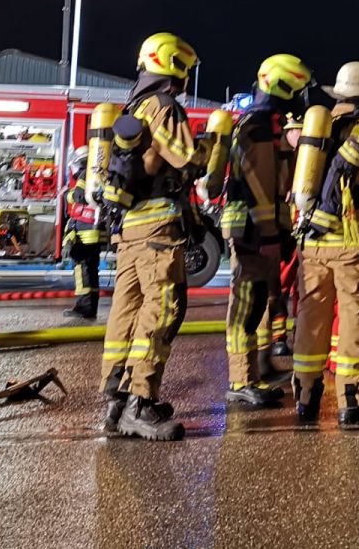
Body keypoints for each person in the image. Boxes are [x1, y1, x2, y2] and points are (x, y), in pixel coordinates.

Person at [97, 32, 209, 441]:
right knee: (162, 311)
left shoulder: (135, 104)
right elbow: (187, 158)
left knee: (126, 310)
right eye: (185, 68)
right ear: (172, 64)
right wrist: (212, 145)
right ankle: (140, 402)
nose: (185, 77)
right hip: (158, 230)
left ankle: (115, 400)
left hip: (130, 229)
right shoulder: (164, 107)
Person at [292, 61, 359, 426]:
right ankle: (353, 400)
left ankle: (305, 396)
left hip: (312, 239)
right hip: (356, 240)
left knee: (311, 318)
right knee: (355, 318)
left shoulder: (314, 132)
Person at [222, 53, 313, 407]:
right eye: (295, 87)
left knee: (257, 299)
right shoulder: (260, 124)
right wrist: (270, 234)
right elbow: (259, 183)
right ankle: (241, 380)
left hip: (254, 226)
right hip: (253, 229)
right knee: (246, 304)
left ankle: (254, 370)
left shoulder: (260, 120)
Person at [62, 146, 107, 320]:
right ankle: (88, 306)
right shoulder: (95, 175)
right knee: (90, 270)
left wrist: (68, 195)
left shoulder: (85, 175)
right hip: (91, 231)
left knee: (83, 270)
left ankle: (85, 308)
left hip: (85, 233)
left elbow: (80, 196)